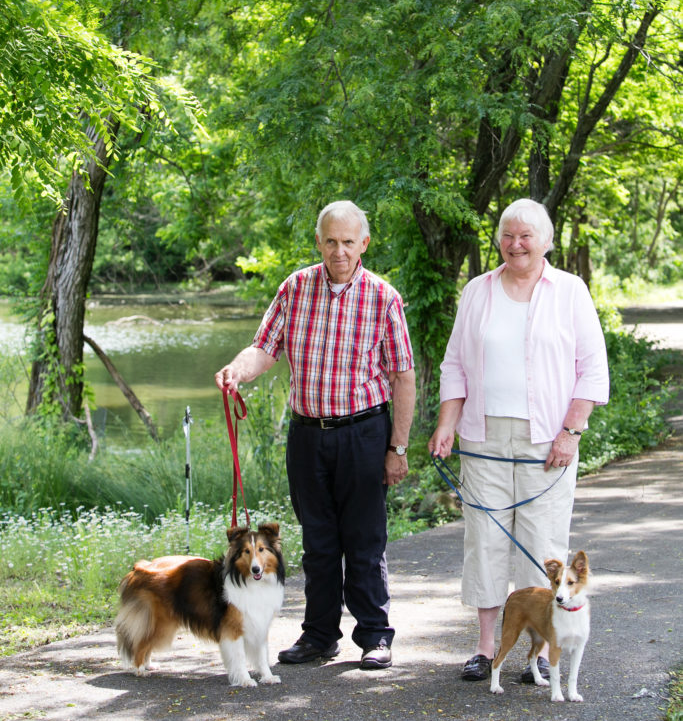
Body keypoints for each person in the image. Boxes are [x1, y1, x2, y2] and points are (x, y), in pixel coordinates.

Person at [215, 200, 416, 670]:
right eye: (331, 241)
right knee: (319, 542)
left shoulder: (383, 297)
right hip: (307, 436)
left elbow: (403, 377)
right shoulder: (295, 288)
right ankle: (320, 636)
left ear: (364, 243)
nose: (339, 251)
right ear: (320, 242)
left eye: (349, 241)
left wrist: (397, 448)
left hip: (364, 433)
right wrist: (237, 371)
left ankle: (374, 636)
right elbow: (264, 347)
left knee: (364, 540)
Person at [428, 198, 609, 683]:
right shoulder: (477, 291)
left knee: (541, 546)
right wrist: (447, 423)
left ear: (546, 241)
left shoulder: (570, 291)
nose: (516, 244)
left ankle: (541, 656)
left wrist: (571, 432)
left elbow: (592, 370)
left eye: (526, 235)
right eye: (508, 235)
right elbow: (454, 365)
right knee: (484, 539)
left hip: (548, 439)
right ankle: (487, 649)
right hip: (483, 435)